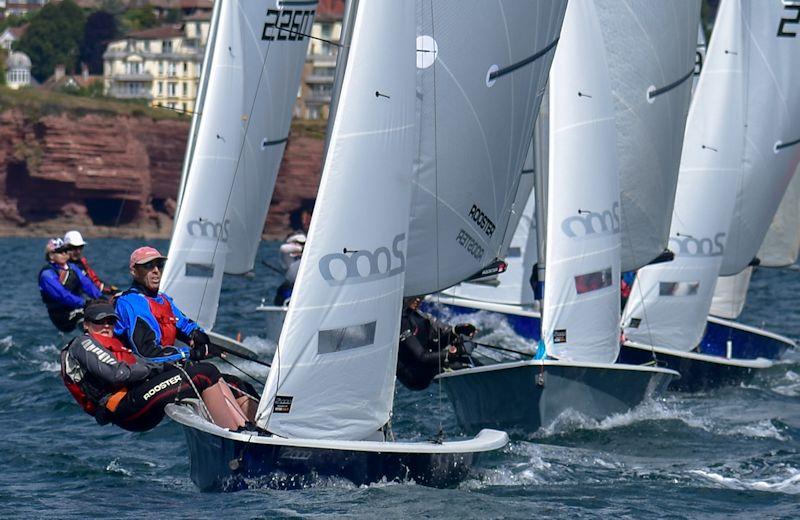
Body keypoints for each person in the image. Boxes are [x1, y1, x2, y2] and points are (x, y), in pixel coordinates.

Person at [61, 301, 252, 432]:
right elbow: (118, 374)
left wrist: (172, 364)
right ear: (86, 325)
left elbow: (139, 364)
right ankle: (235, 438)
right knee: (204, 373)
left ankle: (252, 428)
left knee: (234, 383)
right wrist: (154, 369)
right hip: (125, 407)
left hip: (139, 396)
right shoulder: (83, 344)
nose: (105, 326)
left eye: (110, 321)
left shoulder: (113, 342)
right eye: (99, 322)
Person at [114, 246, 259, 411]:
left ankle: (259, 430)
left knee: (240, 385)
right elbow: (147, 353)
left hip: (163, 371)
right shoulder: (130, 304)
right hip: (140, 383)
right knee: (206, 373)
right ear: (134, 271)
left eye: (158, 266)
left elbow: (187, 326)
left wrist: (200, 339)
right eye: (148, 266)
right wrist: (192, 353)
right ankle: (236, 430)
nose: (156, 271)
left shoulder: (163, 300)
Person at [396, 296, 478, 390]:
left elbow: (434, 345)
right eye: (414, 296)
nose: (418, 299)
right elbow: (422, 356)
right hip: (414, 376)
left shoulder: (419, 317)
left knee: (470, 361)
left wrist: (456, 332)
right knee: (466, 366)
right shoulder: (401, 321)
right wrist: (454, 352)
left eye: (421, 296)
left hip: (426, 367)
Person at [39, 238, 104, 332]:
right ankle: (92, 340)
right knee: (84, 317)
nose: (64, 253)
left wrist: (101, 298)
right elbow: (62, 295)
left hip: (76, 307)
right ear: (51, 255)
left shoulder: (72, 267)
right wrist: (84, 302)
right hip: (60, 314)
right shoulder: (47, 274)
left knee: (102, 312)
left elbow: (86, 283)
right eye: (60, 251)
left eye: (66, 250)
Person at [273, 199, 314, 306]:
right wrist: (304, 250)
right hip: (292, 288)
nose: (305, 221)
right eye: (303, 217)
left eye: (308, 217)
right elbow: (284, 249)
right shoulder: (297, 237)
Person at [63, 230, 118, 295]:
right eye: (74, 248)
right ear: (65, 248)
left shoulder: (82, 262)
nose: (78, 251)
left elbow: (94, 279)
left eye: (80, 247)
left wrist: (112, 290)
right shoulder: (62, 266)